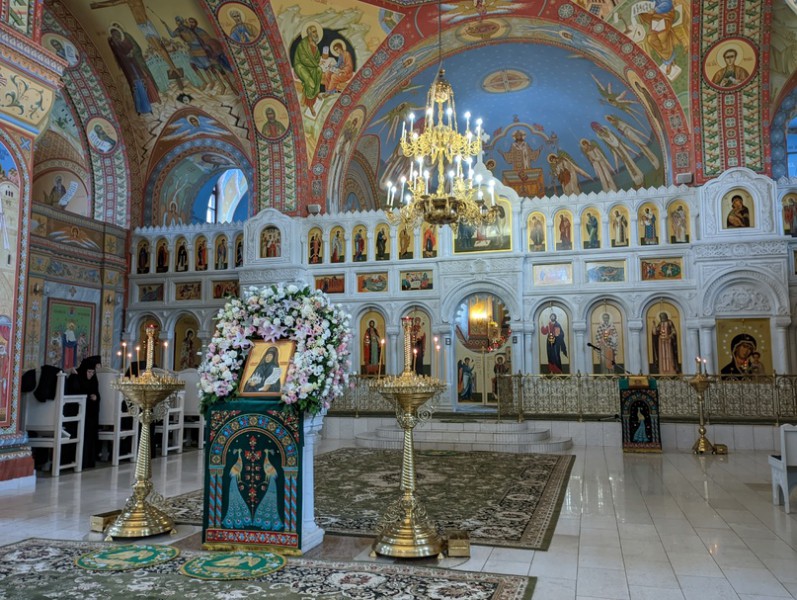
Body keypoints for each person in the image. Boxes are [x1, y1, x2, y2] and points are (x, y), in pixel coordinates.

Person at [65, 356, 102, 469]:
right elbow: (73, 393)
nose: (91, 374)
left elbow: (96, 393)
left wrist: (96, 397)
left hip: (90, 415)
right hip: (76, 414)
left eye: (93, 372)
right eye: (89, 372)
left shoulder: (94, 380)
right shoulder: (76, 377)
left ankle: (88, 461)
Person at [294, 24, 323, 116]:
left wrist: (316, 64)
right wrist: (315, 64)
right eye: (314, 31)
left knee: (319, 71)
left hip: (311, 66)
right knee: (310, 83)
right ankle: (310, 105)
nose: (316, 33)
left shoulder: (315, 45)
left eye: (316, 31)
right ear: (309, 33)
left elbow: (317, 58)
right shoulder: (303, 44)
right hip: (301, 66)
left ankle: (316, 93)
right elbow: (304, 59)